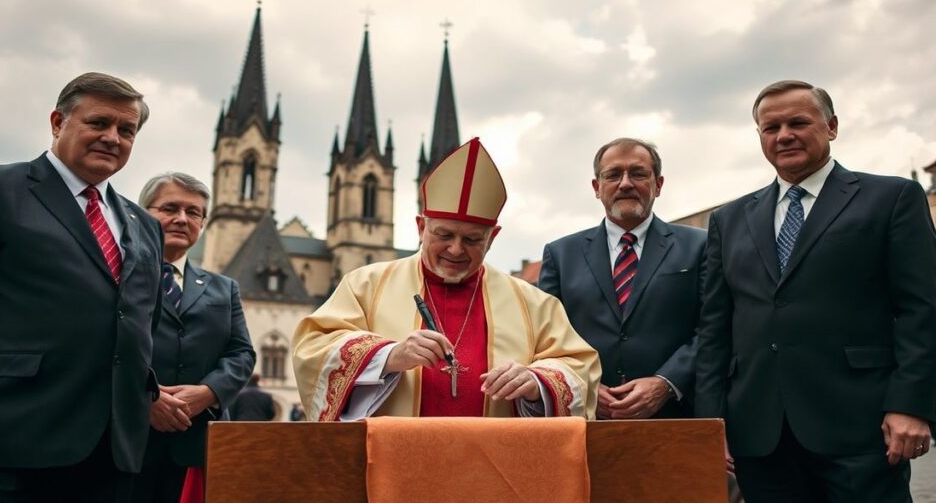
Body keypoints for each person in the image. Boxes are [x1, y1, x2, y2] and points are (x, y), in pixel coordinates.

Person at [694, 80, 936, 502]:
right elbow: (714, 328)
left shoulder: (890, 198)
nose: (784, 135)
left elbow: (924, 308)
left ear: (831, 127)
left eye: (798, 122)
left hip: (862, 427)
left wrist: (911, 404)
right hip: (760, 434)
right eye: (771, 127)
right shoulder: (730, 219)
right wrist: (710, 422)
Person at [0, 72, 165, 502]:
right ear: (58, 122)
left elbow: (140, 322)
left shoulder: (145, 225)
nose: (112, 138)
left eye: (126, 130)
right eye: (99, 123)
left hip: (109, 452)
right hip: (6, 439)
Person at [293, 138, 600, 420]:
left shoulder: (533, 303)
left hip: (495, 458)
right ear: (421, 227)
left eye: (472, 239)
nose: (455, 249)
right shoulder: (365, 285)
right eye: (444, 235)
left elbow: (578, 368)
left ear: (493, 237)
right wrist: (388, 356)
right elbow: (313, 350)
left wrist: (537, 382)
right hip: (393, 455)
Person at [539, 138, 705, 420]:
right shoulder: (560, 255)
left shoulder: (700, 246)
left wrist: (666, 383)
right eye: (613, 175)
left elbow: (714, 328)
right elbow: (548, 337)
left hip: (677, 417)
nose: (625, 183)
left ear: (658, 184)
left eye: (638, 173)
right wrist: (585, 387)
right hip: (587, 420)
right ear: (597, 187)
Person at [131, 173, 255, 503]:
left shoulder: (224, 288)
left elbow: (242, 353)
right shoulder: (116, 273)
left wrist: (208, 392)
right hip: (129, 440)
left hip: (199, 443)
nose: (182, 219)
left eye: (193, 212)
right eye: (170, 208)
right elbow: (100, 345)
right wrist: (146, 398)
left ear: (203, 223)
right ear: (142, 214)